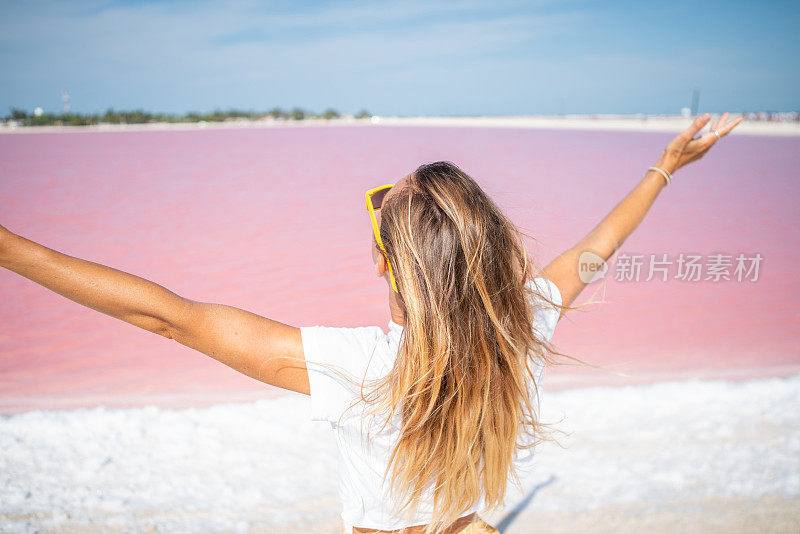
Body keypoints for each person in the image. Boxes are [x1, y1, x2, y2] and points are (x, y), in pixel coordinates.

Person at [0, 112, 744, 534]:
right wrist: (664, 170)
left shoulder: (357, 366)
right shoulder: (523, 324)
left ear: (391, 270)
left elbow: (169, 319)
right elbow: (597, 249)